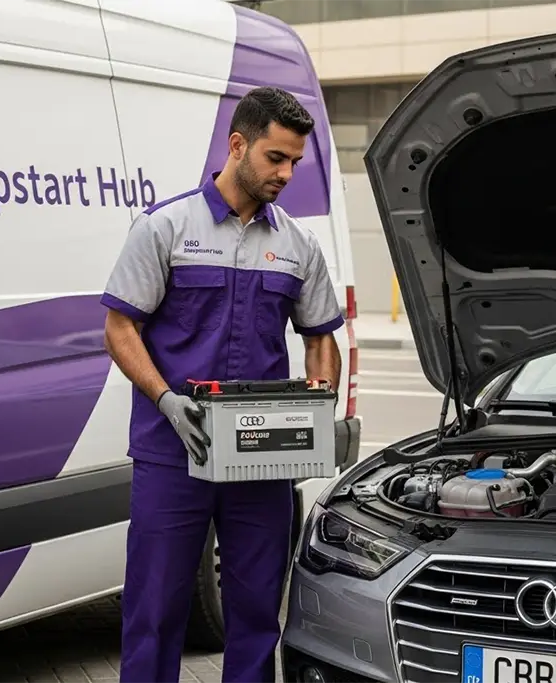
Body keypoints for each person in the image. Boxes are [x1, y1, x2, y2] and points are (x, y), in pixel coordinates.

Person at [100, 86, 344, 683]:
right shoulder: (165, 228)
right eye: (275, 158)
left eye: (294, 161)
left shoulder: (297, 245)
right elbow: (120, 325)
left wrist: (319, 405)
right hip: (172, 449)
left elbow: (320, 338)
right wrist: (165, 399)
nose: (287, 173)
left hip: (263, 458)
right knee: (156, 609)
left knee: (258, 609)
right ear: (238, 145)